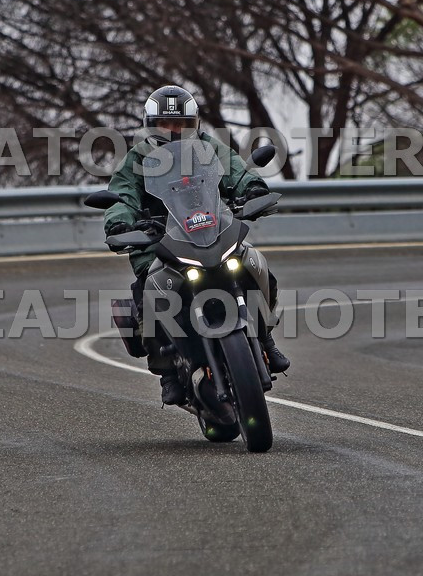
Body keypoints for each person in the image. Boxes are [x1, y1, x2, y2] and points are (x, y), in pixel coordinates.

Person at [103, 85, 290, 405]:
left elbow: (236, 170)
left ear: (194, 124)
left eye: (181, 124)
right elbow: (122, 196)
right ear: (151, 125)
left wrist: (253, 188)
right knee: (148, 290)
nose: (174, 131)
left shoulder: (208, 147)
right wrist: (121, 222)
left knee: (254, 263)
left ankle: (266, 337)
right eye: (166, 124)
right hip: (159, 241)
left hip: (213, 230)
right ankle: (167, 370)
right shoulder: (138, 158)